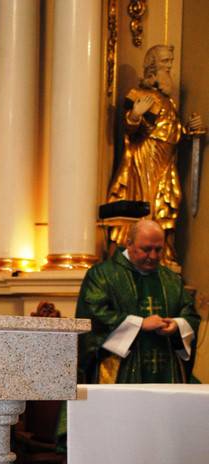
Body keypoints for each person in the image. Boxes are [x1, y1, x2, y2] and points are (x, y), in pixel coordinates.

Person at [107, 44, 202, 266]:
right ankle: (139, 253)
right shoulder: (139, 95)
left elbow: (171, 131)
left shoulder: (169, 101)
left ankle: (163, 254)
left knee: (167, 202)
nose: (169, 66)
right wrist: (135, 115)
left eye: (171, 61)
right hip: (145, 158)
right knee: (146, 203)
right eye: (165, 61)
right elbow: (131, 129)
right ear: (152, 65)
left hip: (167, 161)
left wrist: (189, 129)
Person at [76, 219, 200, 384]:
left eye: (158, 249)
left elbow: (189, 313)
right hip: (121, 370)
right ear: (129, 244)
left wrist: (177, 325)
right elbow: (94, 316)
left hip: (166, 370)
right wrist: (140, 324)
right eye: (146, 249)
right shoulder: (102, 275)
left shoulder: (171, 279)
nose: (153, 256)